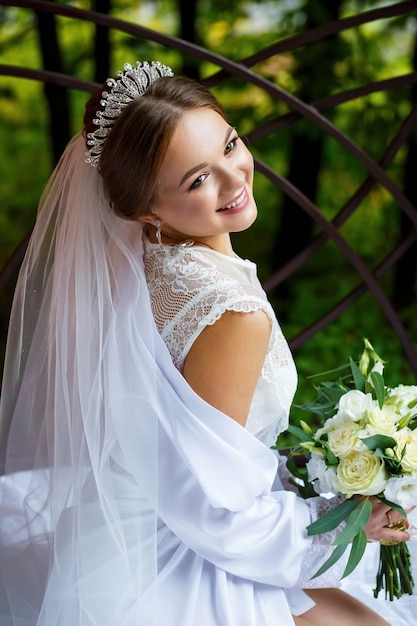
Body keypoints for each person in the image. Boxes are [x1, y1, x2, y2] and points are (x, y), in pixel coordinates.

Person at [0, 60, 412, 626]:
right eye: (197, 179)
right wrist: (345, 521)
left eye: (231, 144)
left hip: (115, 529)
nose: (235, 177)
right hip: (184, 560)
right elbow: (215, 510)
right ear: (145, 209)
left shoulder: (141, 265)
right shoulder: (231, 312)